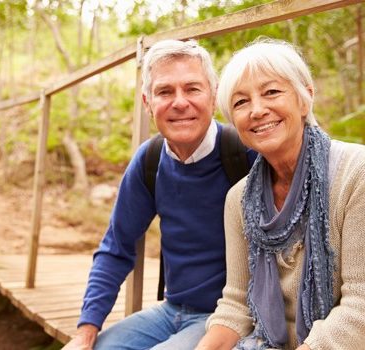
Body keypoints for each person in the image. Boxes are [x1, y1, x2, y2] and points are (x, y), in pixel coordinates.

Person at [62, 39, 256, 350]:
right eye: (165, 91)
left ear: (213, 94)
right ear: (147, 101)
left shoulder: (244, 152)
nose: (180, 102)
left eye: (192, 89)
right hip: (171, 310)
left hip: (229, 317)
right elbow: (116, 248)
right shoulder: (149, 160)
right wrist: (85, 332)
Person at [196, 38, 365, 350]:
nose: (257, 110)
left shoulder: (357, 172)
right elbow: (237, 304)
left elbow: (361, 306)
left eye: (271, 92)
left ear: (305, 98)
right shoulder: (239, 199)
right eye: (240, 102)